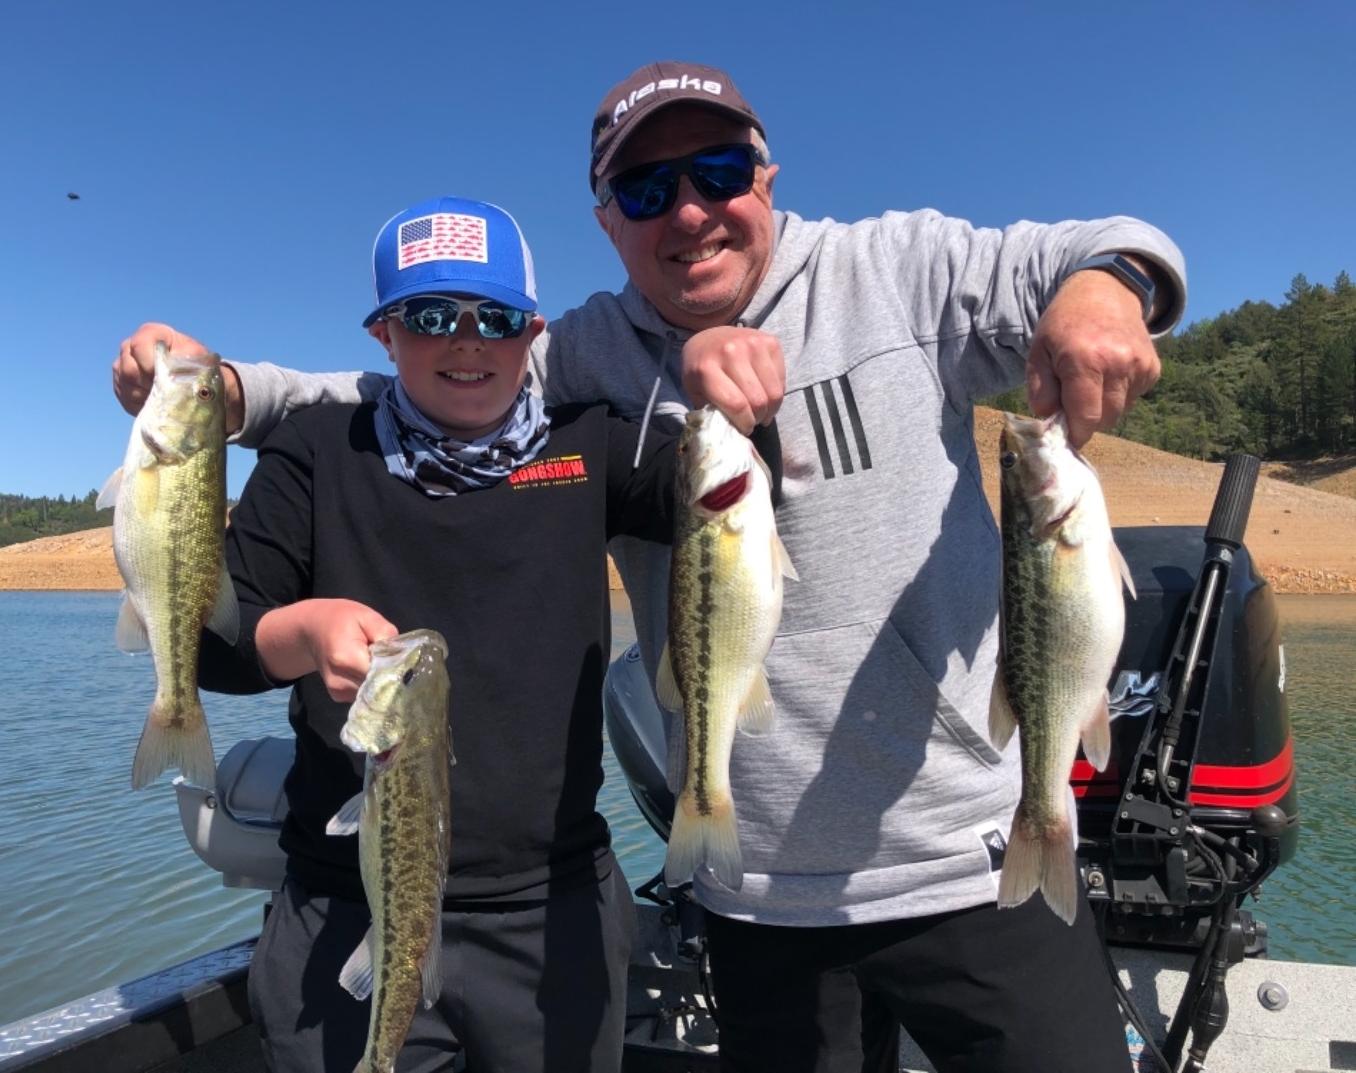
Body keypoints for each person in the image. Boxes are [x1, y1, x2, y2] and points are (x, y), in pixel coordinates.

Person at [116, 63, 1188, 1073]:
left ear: (766, 178)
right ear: (607, 222)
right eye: (645, 188)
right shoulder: (582, 353)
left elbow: (1098, 246)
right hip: (752, 884)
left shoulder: (900, 269)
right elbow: (392, 391)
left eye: (719, 173)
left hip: (968, 857)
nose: (687, 210)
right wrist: (211, 386)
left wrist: (1102, 293)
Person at [188, 195, 710, 1073]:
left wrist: (722, 368)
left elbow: (734, 493)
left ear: (530, 331)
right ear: (384, 334)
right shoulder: (318, 452)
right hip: (345, 905)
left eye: (495, 319)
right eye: (431, 316)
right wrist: (306, 631)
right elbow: (213, 647)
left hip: (555, 913)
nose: (467, 342)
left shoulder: (590, 448)